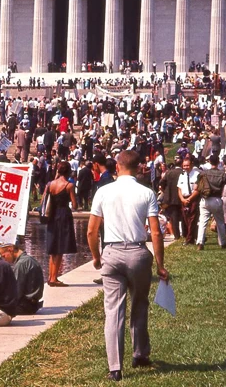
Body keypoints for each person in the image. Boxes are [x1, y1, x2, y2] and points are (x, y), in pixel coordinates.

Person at [86, 150, 169, 382]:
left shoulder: (103, 191)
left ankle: (115, 366)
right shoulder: (147, 193)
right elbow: (155, 232)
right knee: (139, 303)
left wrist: (96, 256)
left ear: (118, 167)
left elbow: (91, 231)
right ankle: (140, 353)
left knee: (113, 310)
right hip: (137, 251)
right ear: (138, 167)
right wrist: (161, 264)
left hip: (111, 251)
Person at [42, 161, 78, 286]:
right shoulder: (69, 185)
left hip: (52, 215)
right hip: (63, 215)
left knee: (53, 248)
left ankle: (50, 276)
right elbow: (74, 205)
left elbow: (43, 200)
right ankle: (54, 278)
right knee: (60, 247)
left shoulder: (50, 184)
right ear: (68, 171)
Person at [0, 240, 44, 315]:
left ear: (10, 249)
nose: (4, 259)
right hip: (32, 304)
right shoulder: (28, 259)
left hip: (25, 306)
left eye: (4, 256)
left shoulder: (20, 264)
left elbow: (16, 292)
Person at [196, 155, 226, 250]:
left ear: (210, 162)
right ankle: (223, 242)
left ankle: (200, 242)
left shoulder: (203, 173)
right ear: (218, 162)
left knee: (202, 221)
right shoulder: (222, 174)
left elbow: (197, 186)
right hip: (216, 199)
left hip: (205, 199)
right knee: (220, 222)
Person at [177, 156, 200, 245]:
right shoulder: (181, 175)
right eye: (184, 165)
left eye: (187, 165)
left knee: (192, 219)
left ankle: (189, 239)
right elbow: (179, 189)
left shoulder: (197, 174)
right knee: (186, 219)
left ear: (191, 164)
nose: (185, 167)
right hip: (184, 199)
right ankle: (193, 236)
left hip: (193, 199)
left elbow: (197, 189)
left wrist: (189, 199)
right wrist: (183, 199)